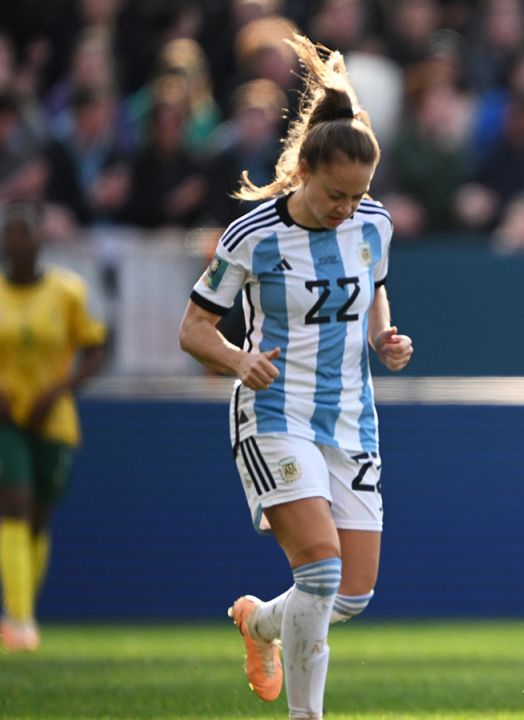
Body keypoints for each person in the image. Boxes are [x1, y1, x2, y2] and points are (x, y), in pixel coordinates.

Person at [177, 35, 411, 719]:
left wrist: (382, 337)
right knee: (319, 566)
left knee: (353, 593)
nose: (347, 206)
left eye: (359, 194)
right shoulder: (252, 235)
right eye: (337, 193)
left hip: (351, 419)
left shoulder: (373, 224)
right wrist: (237, 359)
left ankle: (259, 625)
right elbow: (193, 330)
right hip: (274, 413)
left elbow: (375, 289)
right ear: (304, 169)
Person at [0, 202, 108, 651]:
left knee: (39, 519)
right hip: (6, 419)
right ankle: (20, 620)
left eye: (24, 233)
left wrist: (60, 389)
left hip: (53, 419)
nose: (15, 241)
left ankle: (22, 609)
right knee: (15, 502)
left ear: (41, 240)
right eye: (10, 233)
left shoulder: (67, 292)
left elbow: (96, 348)